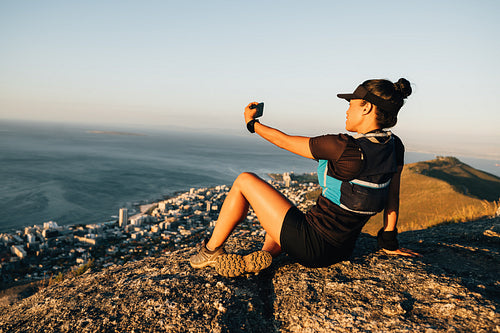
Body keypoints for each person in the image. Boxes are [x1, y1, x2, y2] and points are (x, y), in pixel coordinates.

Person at [190, 78, 420, 277]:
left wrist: (252, 123)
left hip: (311, 245)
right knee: (283, 214)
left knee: (244, 180)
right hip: (341, 249)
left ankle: (211, 251)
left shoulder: (343, 147)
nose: (347, 110)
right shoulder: (394, 146)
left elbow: (283, 140)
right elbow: (392, 192)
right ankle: (265, 254)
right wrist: (389, 240)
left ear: (367, 107)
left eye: (350, 104)